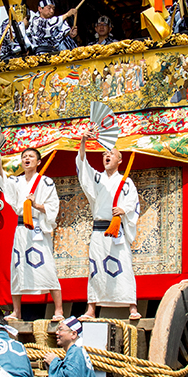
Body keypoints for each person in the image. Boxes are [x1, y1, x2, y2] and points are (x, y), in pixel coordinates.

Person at [0, 145, 64, 321]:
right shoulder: (17, 182)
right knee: (18, 266)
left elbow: (53, 207)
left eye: (31, 156)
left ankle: (59, 310)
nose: (27, 159)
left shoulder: (46, 182)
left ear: (38, 162)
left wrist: (35, 204)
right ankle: (16, 311)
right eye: (24, 157)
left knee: (46, 266)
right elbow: (3, 182)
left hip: (38, 228)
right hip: (21, 229)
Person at [77, 133, 140, 321]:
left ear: (120, 160)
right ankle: (91, 308)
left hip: (117, 230)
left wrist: (123, 209)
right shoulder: (97, 178)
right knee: (95, 267)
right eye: (105, 154)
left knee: (124, 266)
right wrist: (83, 142)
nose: (107, 156)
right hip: (98, 230)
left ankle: (132, 306)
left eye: (111, 154)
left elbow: (134, 203)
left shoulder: (126, 182)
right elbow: (82, 166)